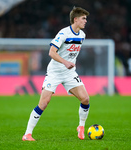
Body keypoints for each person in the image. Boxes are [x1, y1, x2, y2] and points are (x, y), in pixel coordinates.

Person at [22, 7, 90, 141]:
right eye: (83, 18)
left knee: (85, 99)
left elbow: (71, 53)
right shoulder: (63, 33)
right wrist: (65, 62)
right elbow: (51, 52)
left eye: (86, 18)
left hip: (69, 72)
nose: (85, 21)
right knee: (44, 103)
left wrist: (69, 64)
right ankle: (27, 134)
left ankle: (81, 127)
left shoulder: (82, 35)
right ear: (75, 19)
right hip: (54, 72)